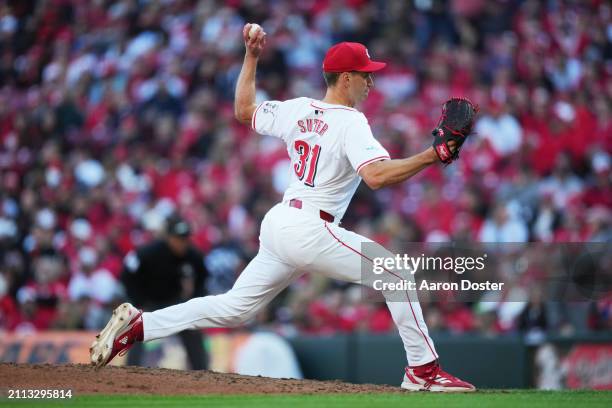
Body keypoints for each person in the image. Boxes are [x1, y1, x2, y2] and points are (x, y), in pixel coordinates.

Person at [90, 24, 475, 392]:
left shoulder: (298, 109)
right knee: (396, 273)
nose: (370, 81)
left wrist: (251, 57)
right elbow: (376, 177)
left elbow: (243, 110)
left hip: (281, 223)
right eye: (364, 74)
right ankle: (424, 372)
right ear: (345, 78)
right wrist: (432, 155)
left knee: (234, 309)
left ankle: (140, 325)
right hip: (309, 226)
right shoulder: (351, 122)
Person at [119, 214, 209, 370]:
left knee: (192, 327)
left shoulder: (193, 255)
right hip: (148, 303)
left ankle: (202, 372)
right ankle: (130, 370)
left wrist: (194, 300)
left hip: (173, 302)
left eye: (185, 239)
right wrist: (137, 300)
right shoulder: (148, 253)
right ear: (169, 237)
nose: (182, 243)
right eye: (178, 239)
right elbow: (127, 273)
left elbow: (203, 277)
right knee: (135, 328)